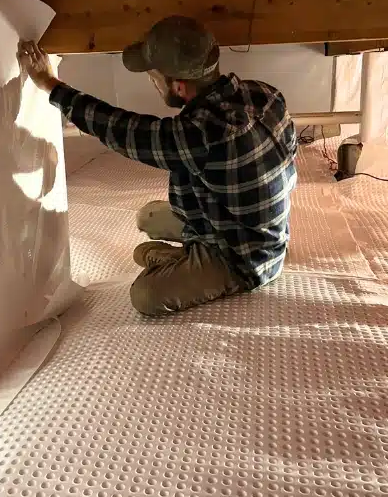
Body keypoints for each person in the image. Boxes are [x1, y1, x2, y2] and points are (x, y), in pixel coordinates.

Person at [17, 16, 297, 316]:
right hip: (248, 226)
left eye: (153, 77)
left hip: (242, 258)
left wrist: (50, 84)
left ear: (177, 86)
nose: (152, 82)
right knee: (147, 217)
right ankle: (190, 254)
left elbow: (123, 130)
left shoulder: (200, 135)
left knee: (145, 295)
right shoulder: (264, 94)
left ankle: (198, 262)